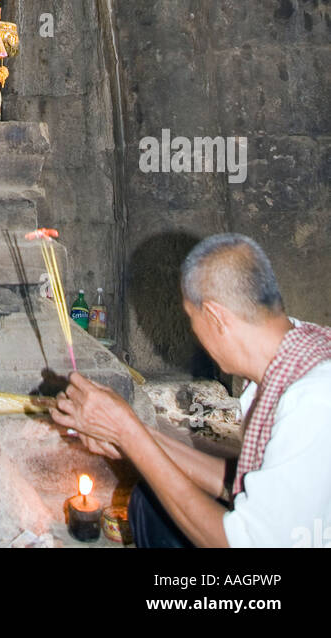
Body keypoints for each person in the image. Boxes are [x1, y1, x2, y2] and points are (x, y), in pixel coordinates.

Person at [51, 233, 331, 547]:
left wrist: (128, 433)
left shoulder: (313, 399)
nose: (194, 332)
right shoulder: (295, 352)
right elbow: (233, 482)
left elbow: (241, 542)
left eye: (190, 318)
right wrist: (134, 435)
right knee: (149, 503)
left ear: (215, 317)